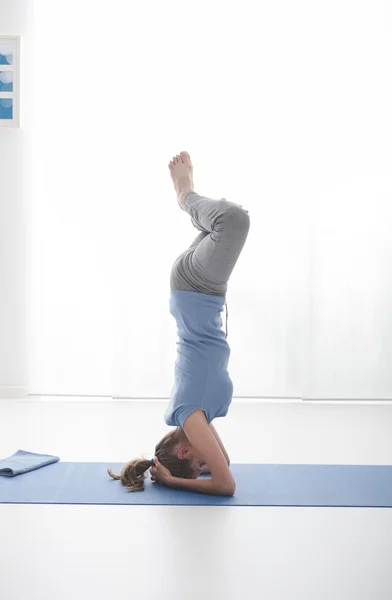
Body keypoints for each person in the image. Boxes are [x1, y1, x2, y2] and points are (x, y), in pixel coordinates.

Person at [108, 151, 250, 495]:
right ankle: (190, 201)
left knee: (233, 220)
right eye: (204, 468)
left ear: (184, 451)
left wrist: (173, 480)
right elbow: (225, 465)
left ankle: (184, 193)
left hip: (194, 288)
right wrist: (189, 471)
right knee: (224, 223)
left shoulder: (189, 416)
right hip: (203, 295)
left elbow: (225, 485)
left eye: (197, 465)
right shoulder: (192, 421)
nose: (207, 467)